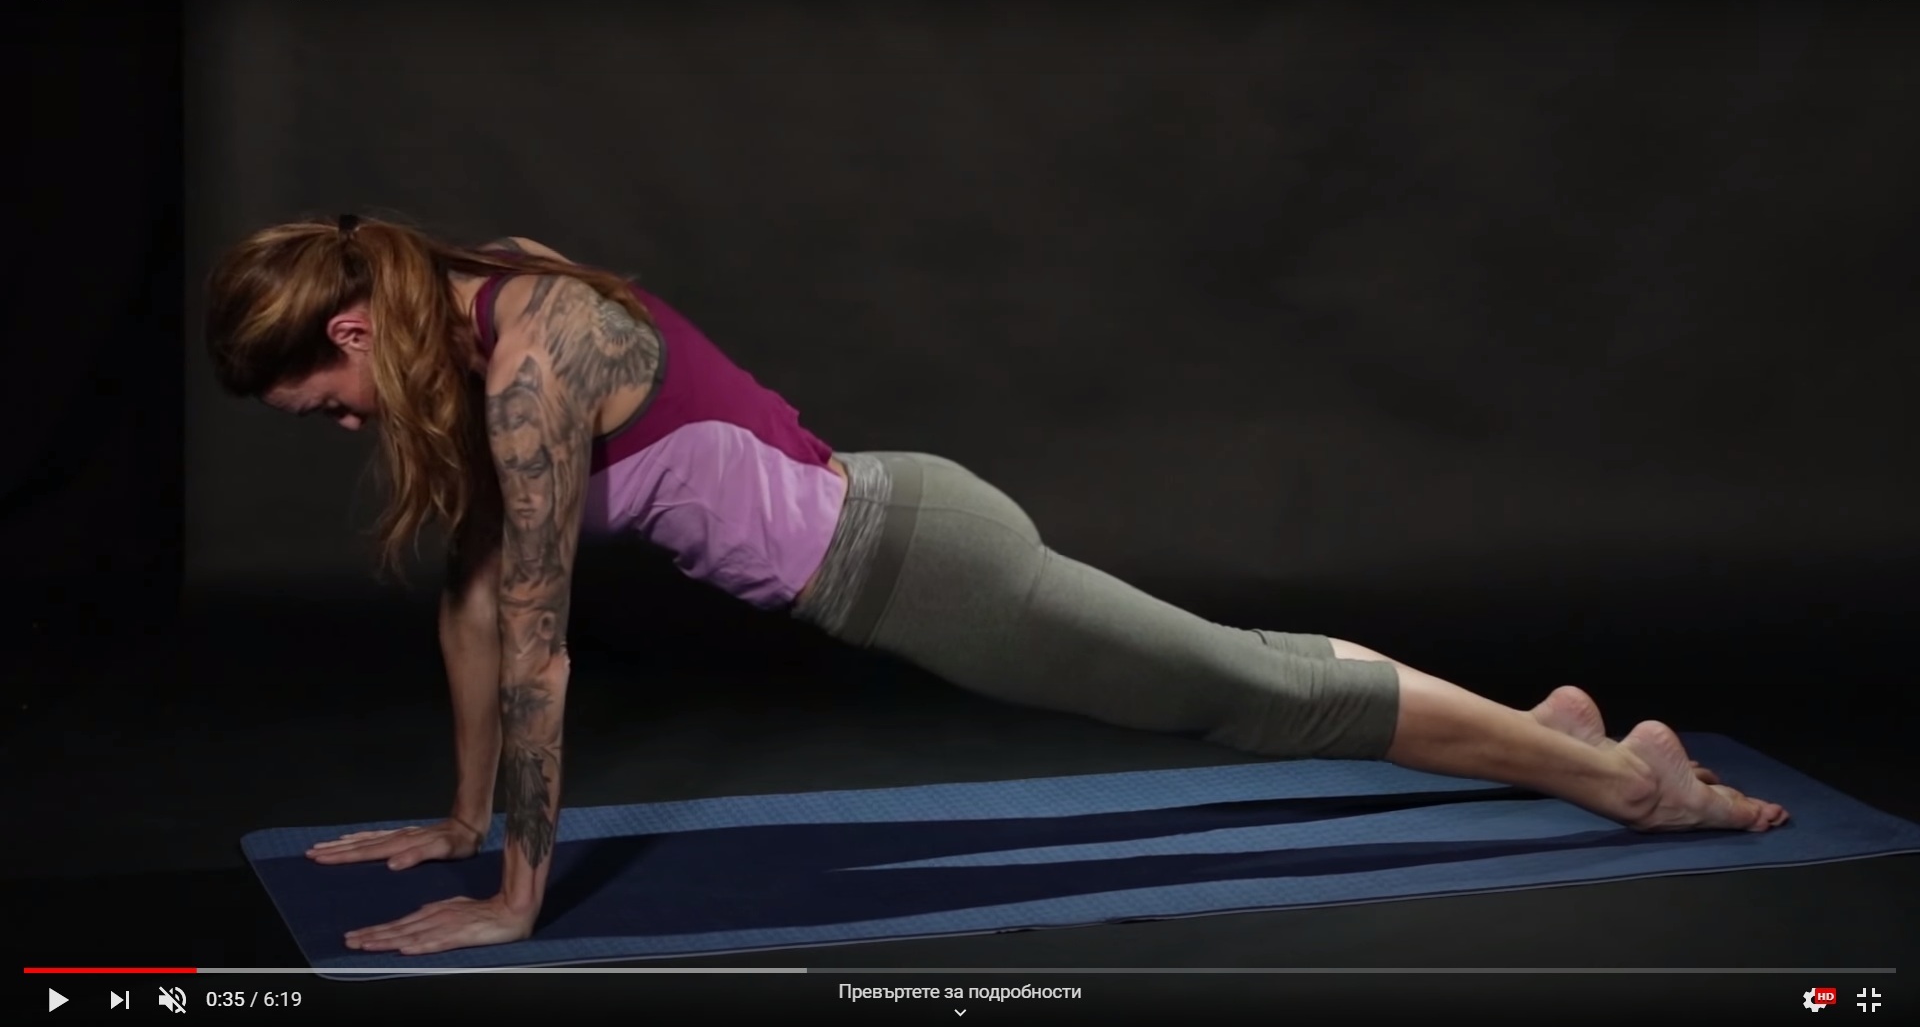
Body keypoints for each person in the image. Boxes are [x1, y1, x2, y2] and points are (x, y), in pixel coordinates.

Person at [204, 215, 1789, 957]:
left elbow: (537, 647)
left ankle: (1628, 782)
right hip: (906, 532)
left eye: (322, 406)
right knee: (1236, 661)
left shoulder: (532, 368)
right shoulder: (474, 312)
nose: (340, 429)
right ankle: (1545, 729)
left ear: (350, 332)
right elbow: (475, 595)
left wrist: (514, 897)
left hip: (921, 569)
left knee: (1254, 696)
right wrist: (460, 819)